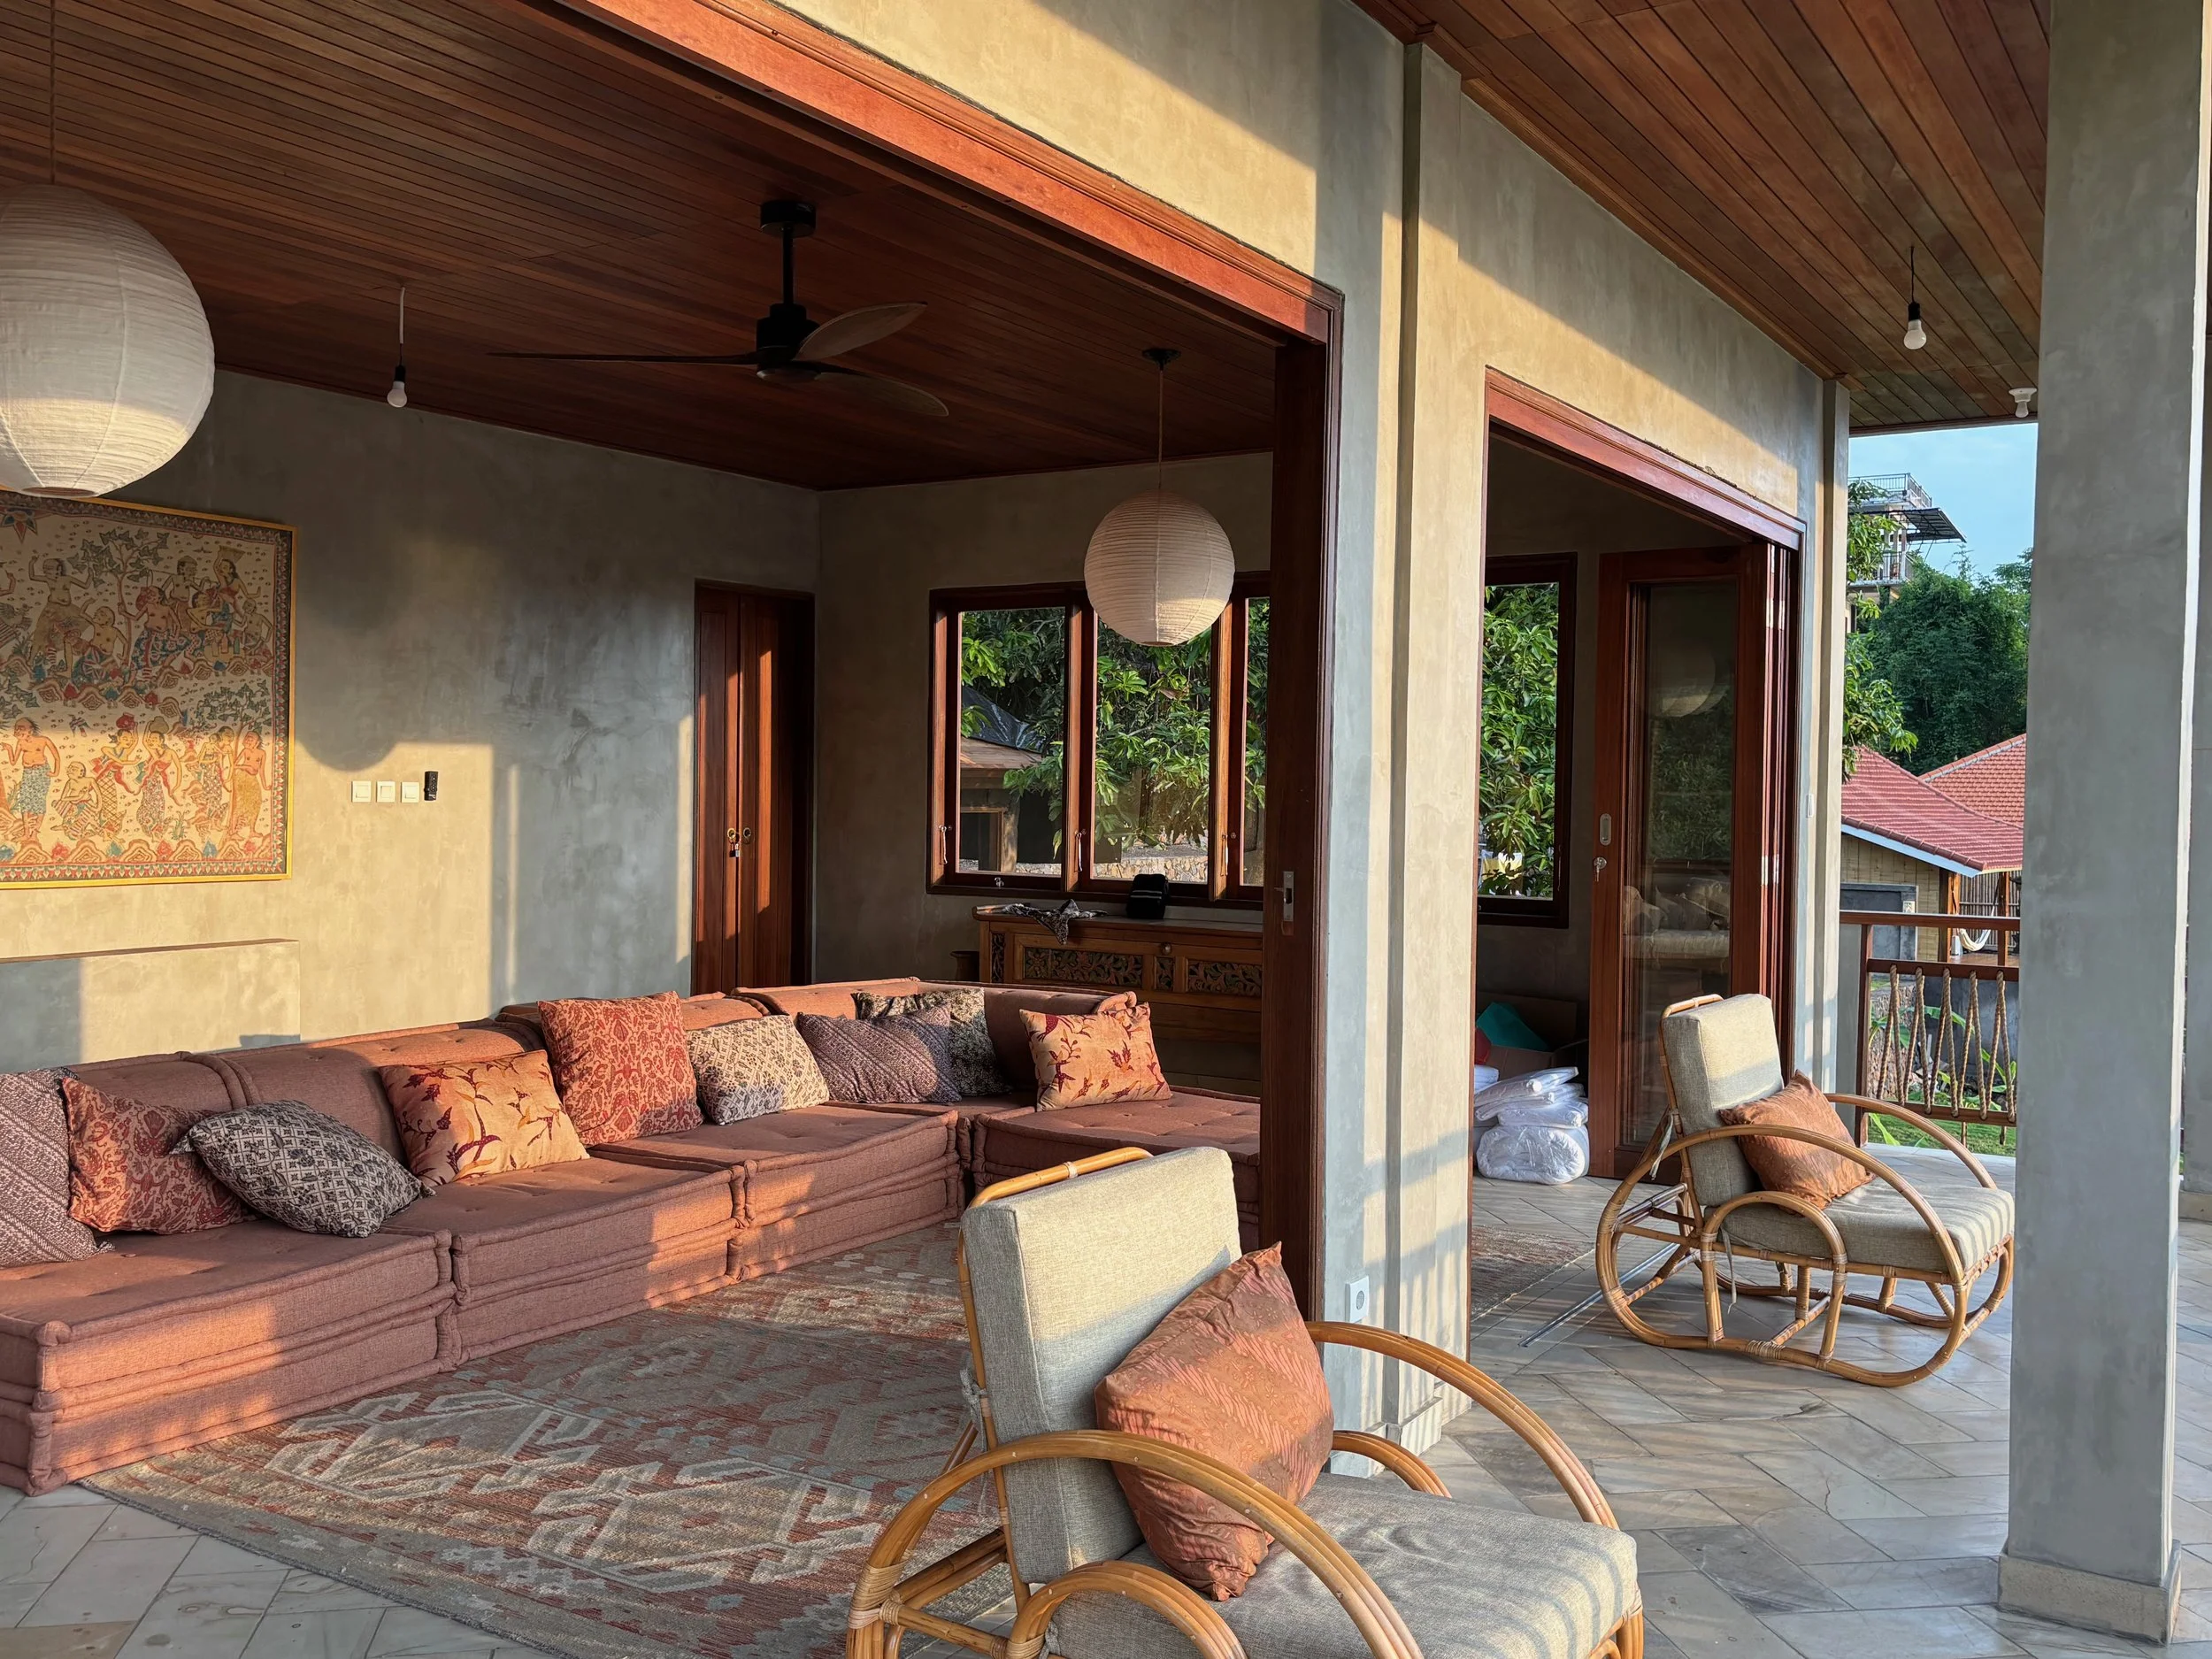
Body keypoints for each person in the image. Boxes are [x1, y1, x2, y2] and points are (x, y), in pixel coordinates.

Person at [4, 717, 59, 845]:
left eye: (21, 729)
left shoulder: (43, 740)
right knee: (26, 801)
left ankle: (34, 834)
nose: (17, 731)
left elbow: (56, 756)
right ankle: (26, 833)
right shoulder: (21, 743)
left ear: (31, 730)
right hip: (28, 773)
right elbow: (13, 762)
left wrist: (55, 772)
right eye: (16, 728)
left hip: (41, 772)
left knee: (38, 802)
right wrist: (9, 749)